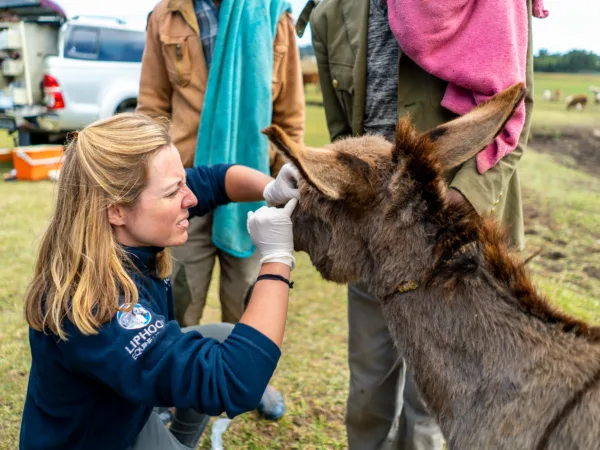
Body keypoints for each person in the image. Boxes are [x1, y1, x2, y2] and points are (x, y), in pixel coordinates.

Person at [300, 0, 535, 448]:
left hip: (458, 240)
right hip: (376, 238)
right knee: (368, 388)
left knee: (432, 403)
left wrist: (465, 195)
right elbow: (341, 136)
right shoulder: (332, 14)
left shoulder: (495, 6)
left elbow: (516, 120)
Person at [19, 114, 299, 450]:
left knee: (223, 335)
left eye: (183, 182)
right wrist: (277, 260)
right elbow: (234, 382)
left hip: (122, 418)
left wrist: (270, 187)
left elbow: (214, 180)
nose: (190, 198)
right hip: (95, 442)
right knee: (217, 366)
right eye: (173, 192)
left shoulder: (119, 234)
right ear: (116, 210)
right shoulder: (97, 308)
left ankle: (176, 440)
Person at [137, 0, 304, 420]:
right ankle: (165, 390)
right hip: (186, 184)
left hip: (252, 185)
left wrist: (286, 179)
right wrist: (157, 179)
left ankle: (253, 382)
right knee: (178, 294)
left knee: (251, 293)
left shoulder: (274, 15)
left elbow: (290, 115)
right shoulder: (166, 15)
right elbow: (152, 108)